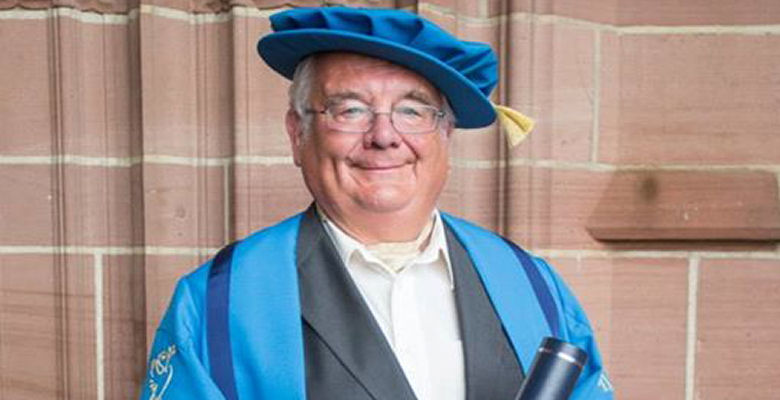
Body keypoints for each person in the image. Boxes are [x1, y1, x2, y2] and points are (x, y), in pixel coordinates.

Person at [140, 6, 614, 400]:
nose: (384, 136)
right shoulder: (220, 302)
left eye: (412, 110)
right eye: (350, 110)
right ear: (297, 133)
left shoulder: (532, 286)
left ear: (445, 133)